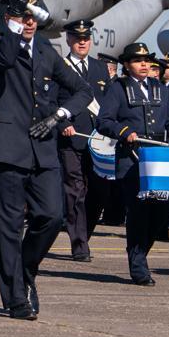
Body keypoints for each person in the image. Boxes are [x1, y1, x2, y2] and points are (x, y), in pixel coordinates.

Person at [0, 0, 90, 318]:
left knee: (52, 216)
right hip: (7, 149)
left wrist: (59, 116)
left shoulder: (47, 52)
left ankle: (27, 269)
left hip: (42, 149)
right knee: (9, 227)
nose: (29, 22)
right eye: (22, 16)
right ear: (9, 19)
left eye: (33, 16)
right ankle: (15, 298)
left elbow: (83, 90)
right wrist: (13, 23)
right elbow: (4, 60)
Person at [97, 42, 169, 285]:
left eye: (146, 61)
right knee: (139, 214)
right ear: (127, 65)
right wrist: (123, 131)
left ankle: (141, 252)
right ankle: (138, 264)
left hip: (159, 159)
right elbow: (104, 120)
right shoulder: (117, 88)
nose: (144, 65)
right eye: (138, 61)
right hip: (132, 159)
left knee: (162, 214)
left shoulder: (159, 88)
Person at [56, 19, 111, 262]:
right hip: (72, 138)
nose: (82, 42)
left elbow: (109, 103)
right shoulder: (60, 66)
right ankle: (79, 244)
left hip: (99, 139)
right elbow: (51, 101)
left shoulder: (99, 68)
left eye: (86, 38)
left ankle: (83, 234)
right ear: (68, 40)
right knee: (75, 190)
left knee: (99, 191)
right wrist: (63, 124)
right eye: (77, 39)